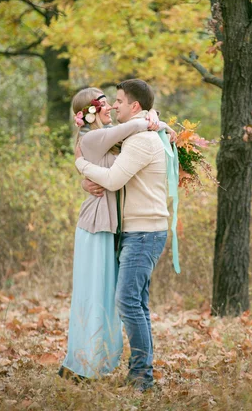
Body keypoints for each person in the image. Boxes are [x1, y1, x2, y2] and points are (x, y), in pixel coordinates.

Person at [59, 86, 172, 382]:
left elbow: (111, 176)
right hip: (108, 227)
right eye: (107, 103)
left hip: (134, 230)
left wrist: (159, 122)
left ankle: (137, 374)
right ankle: (87, 363)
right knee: (110, 297)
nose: (112, 107)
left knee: (122, 301)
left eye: (117, 102)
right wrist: (152, 119)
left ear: (133, 107)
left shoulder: (130, 139)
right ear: (92, 111)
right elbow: (110, 174)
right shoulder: (100, 137)